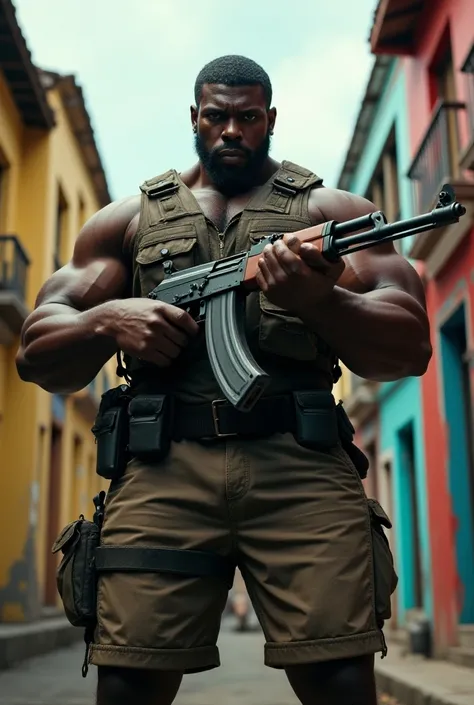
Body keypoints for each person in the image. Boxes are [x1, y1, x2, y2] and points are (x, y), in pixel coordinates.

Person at [16, 55, 432, 705]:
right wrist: (109, 319)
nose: (231, 131)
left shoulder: (331, 213)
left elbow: (410, 344)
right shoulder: (130, 221)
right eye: (216, 116)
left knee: (341, 673)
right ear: (195, 118)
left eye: (247, 117)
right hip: (162, 464)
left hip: (300, 460)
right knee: (129, 672)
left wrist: (322, 301)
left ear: (270, 119)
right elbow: (37, 347)